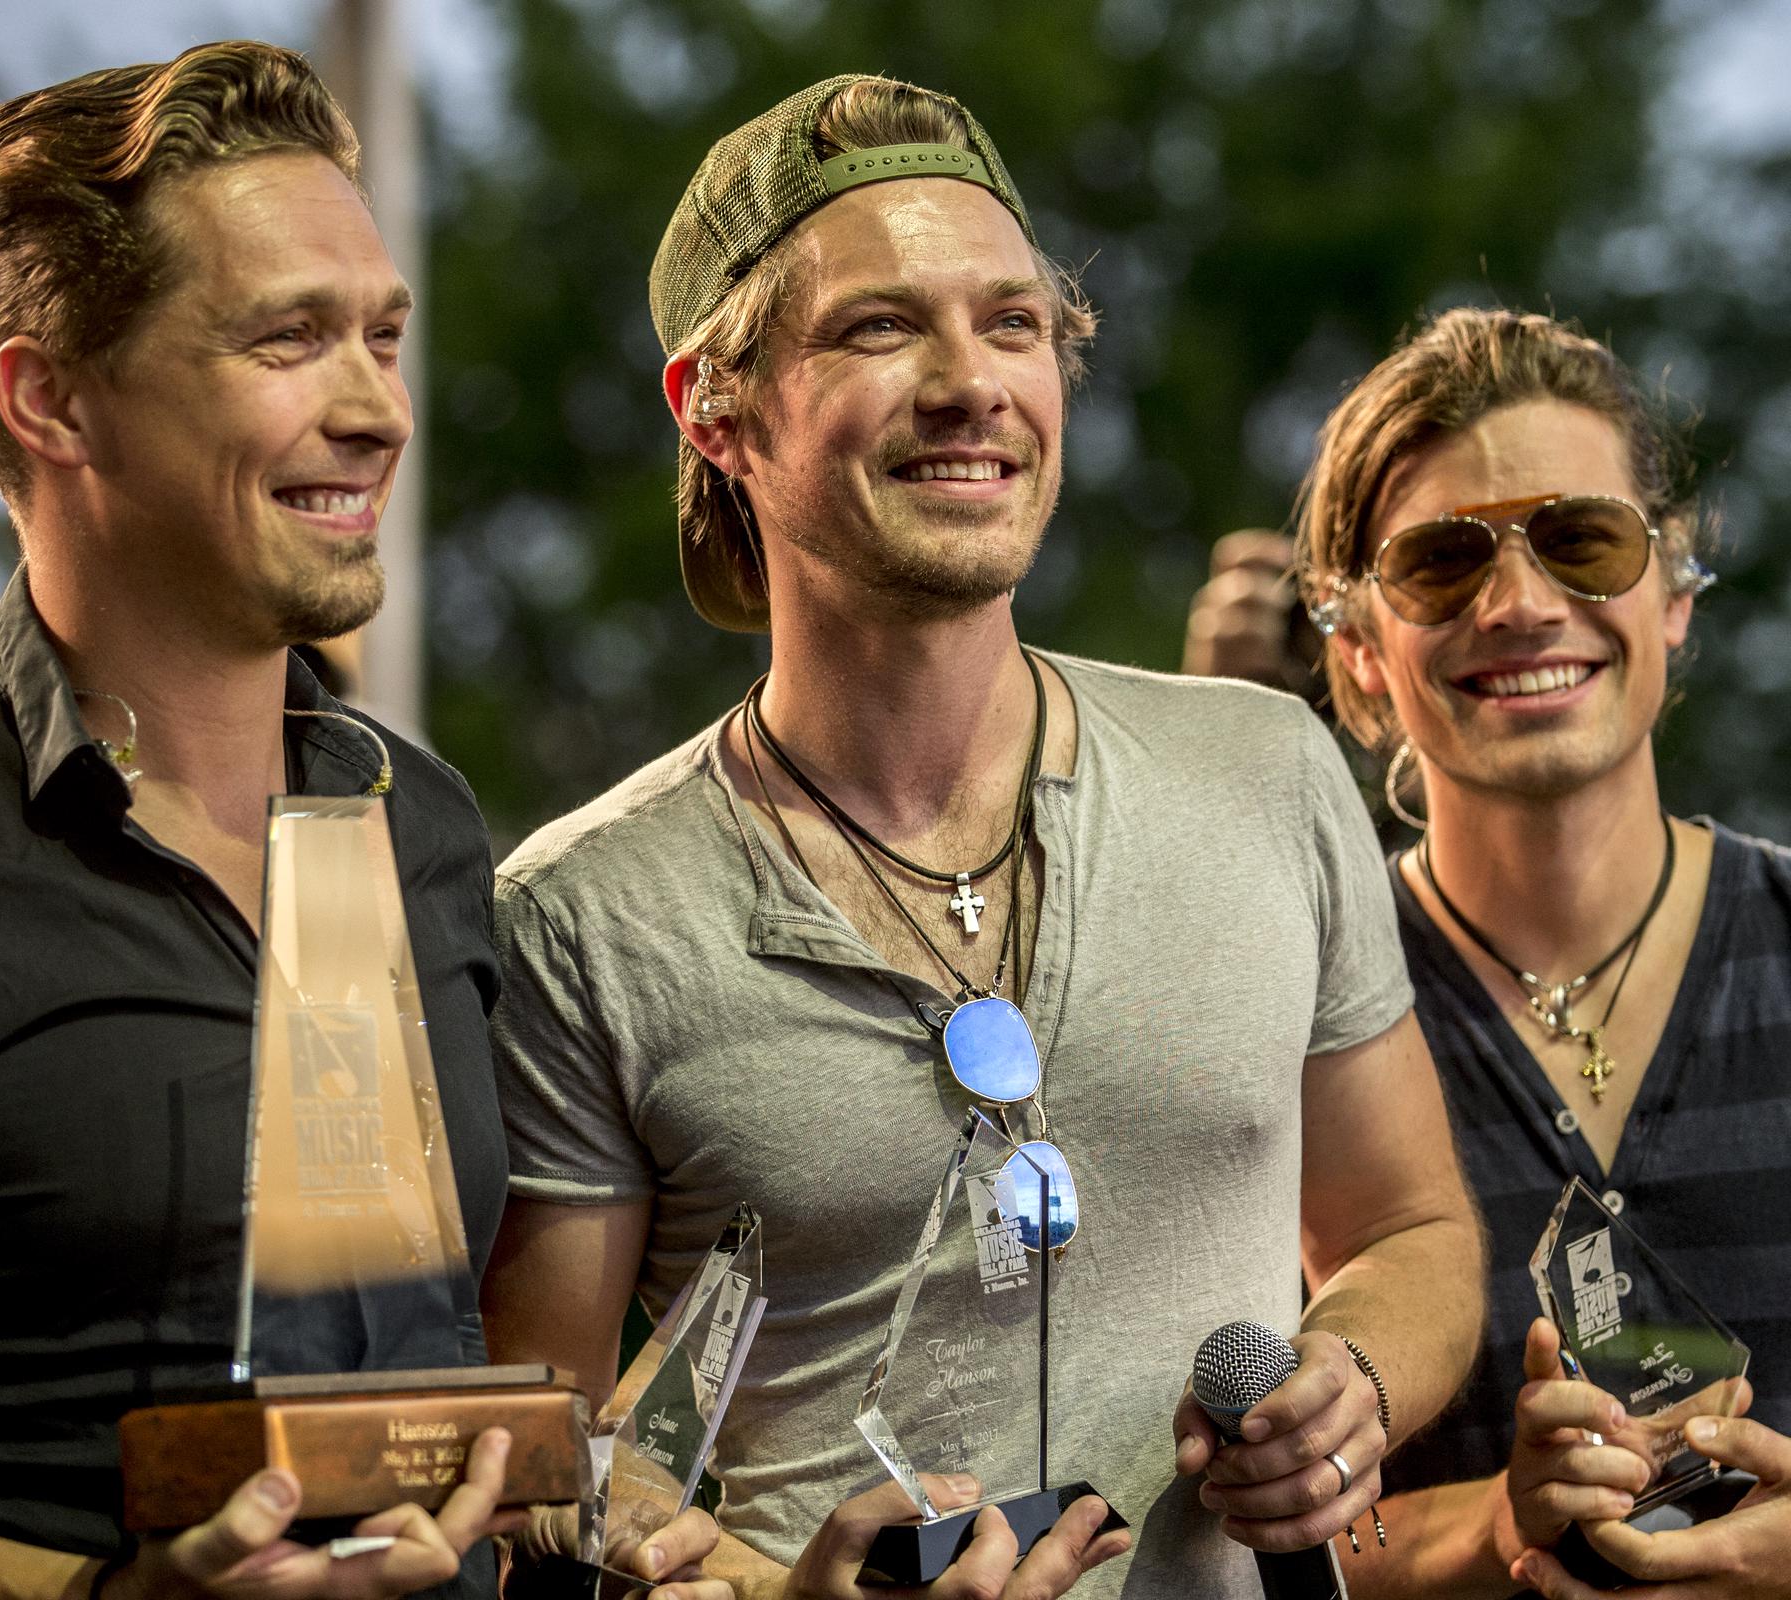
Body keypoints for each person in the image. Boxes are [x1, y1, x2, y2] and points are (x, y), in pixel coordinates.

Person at [477, 74, 1487, 1600]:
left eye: (1014, 324)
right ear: (716, 410)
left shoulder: (1268, 769)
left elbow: (1413, 1228)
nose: (973, 382)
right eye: (882, 328)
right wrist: (774, 1598)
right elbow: (532, 1472)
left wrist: (1351, 1381)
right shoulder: (584, 911)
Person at [0, 43, 724, 1600]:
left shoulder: (428, 830)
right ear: (50, 398)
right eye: (288, 339)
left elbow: (467, 1400)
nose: (379, 408)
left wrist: (720, 1556)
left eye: (384, 336)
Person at [1189, 305, 1791, 1597]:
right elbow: (1230, 1528)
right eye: (1442, 564)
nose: (1523, 602)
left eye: (1584, 541)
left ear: (1674, 594)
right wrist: (1496, 1527)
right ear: (1359, 650)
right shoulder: (1278, 1016)